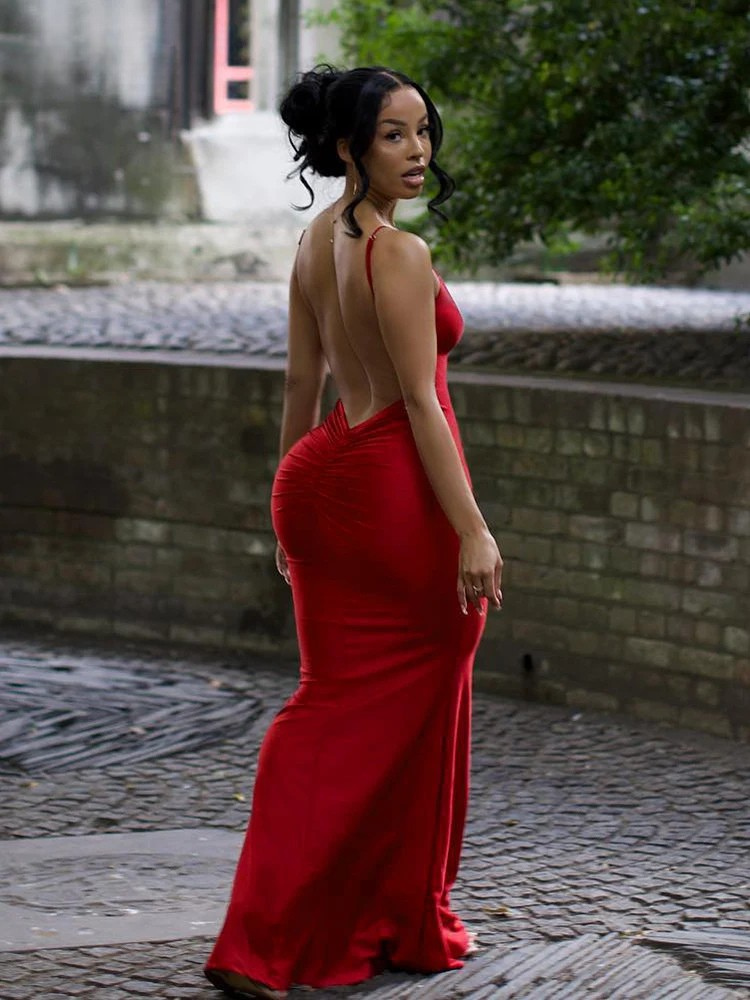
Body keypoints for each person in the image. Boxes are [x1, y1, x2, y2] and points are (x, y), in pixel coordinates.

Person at [204, 65, 504, 1000]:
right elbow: (422, 405)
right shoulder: (399, 255)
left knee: (336, 699)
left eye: (424, 132)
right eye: (393, 137)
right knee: (385, 702)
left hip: (322, 476)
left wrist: (283, 511)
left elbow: (303, 388)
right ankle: (309, 931)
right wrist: (475, 531)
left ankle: (372, 916)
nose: (418, 153)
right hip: (386, 492)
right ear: (346, 148)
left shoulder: (310, 242)